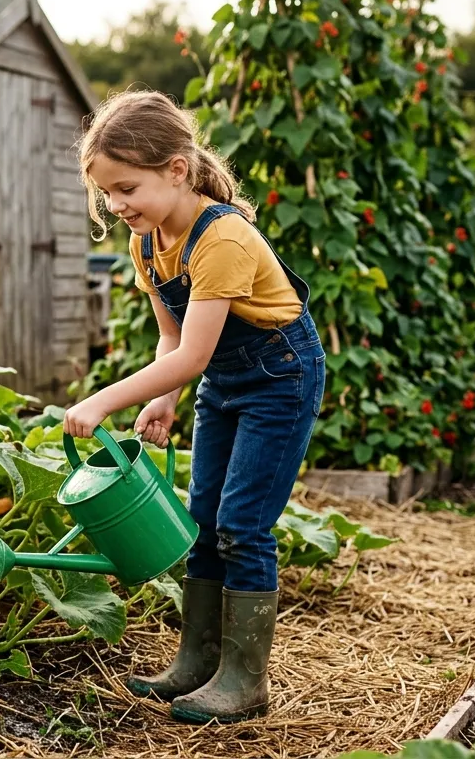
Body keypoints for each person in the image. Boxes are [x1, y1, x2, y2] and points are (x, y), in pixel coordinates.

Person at [62, 90, 325, 724]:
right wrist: (162, 396)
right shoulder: (148, 243)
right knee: (201, 519)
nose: (118, 206)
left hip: (280, 378)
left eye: (128, 188)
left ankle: (244, 679)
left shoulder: (223, 237)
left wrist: (105, 399)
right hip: (224, 380)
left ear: (176, 169)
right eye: (107, 195)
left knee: (242, 524)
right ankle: (196, 662)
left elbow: (195, 354)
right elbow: (174, 341)